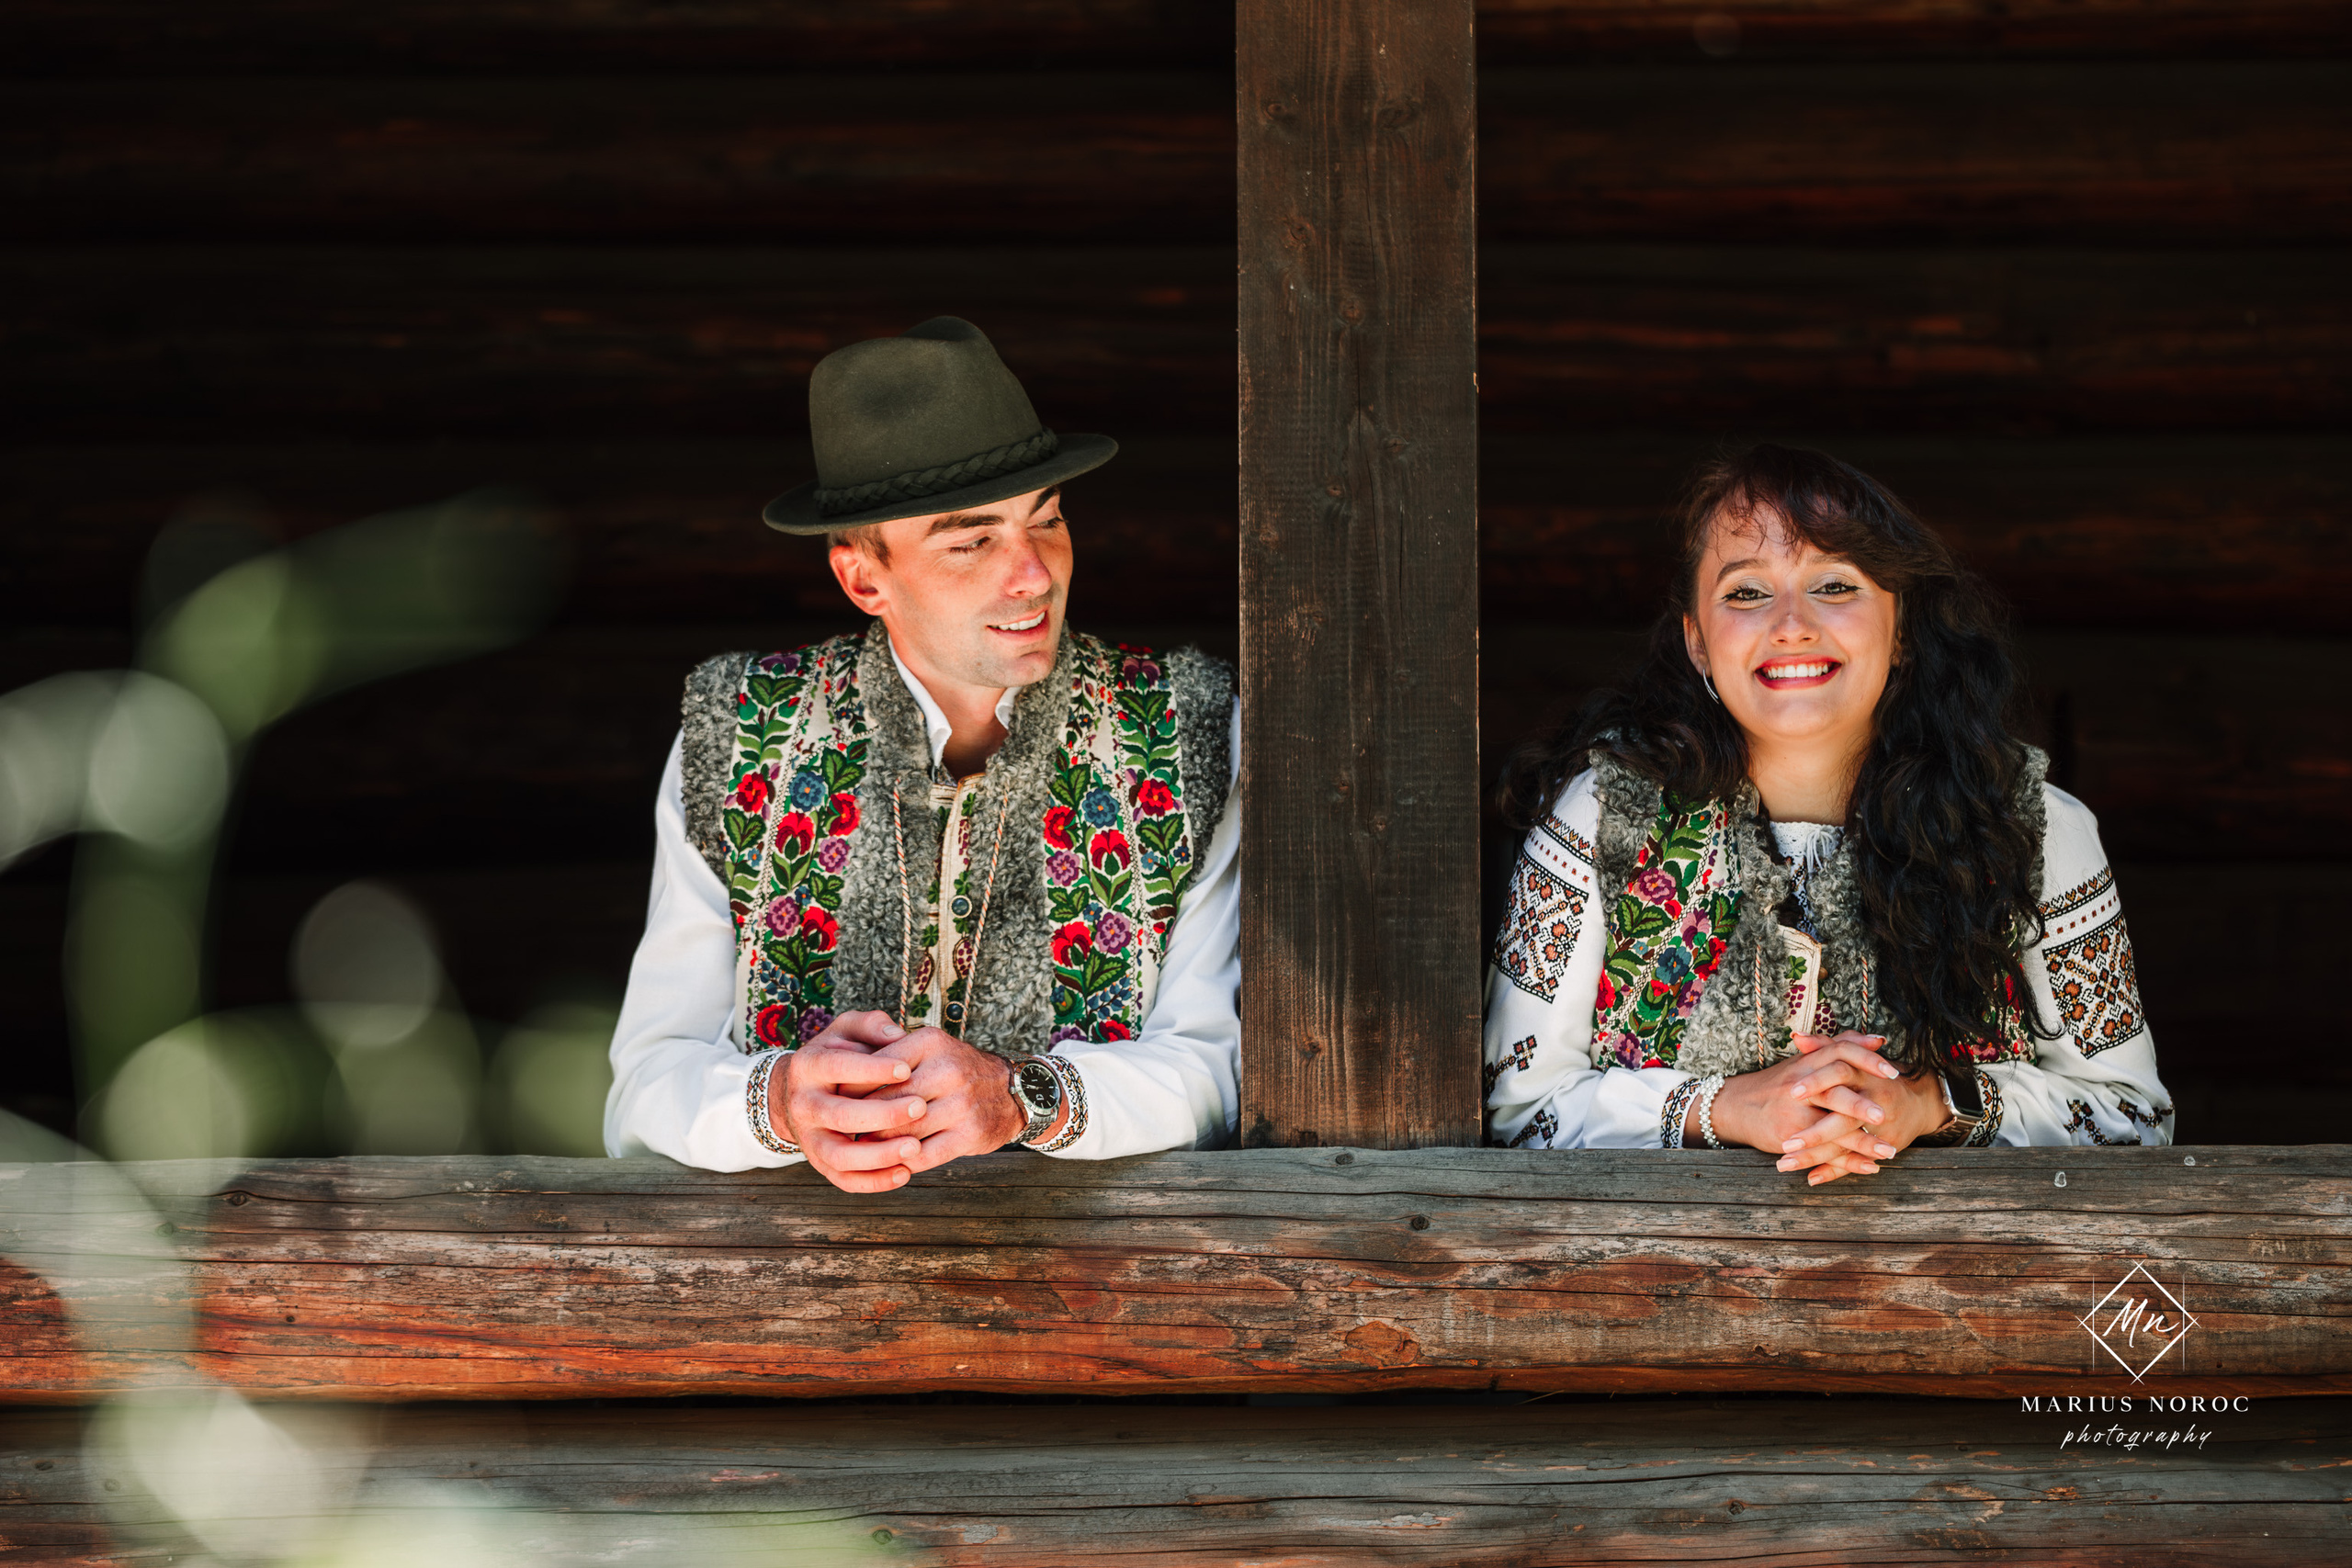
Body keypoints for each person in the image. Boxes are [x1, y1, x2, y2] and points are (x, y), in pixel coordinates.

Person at [605, 316, 1239, 1191]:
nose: (1034, 572)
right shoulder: (740, 725)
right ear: (865, 578)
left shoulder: (1189, 725)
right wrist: (785, 1101)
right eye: (972, 540)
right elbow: (643, 1093)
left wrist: (1023, 1098)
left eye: (1046, 521)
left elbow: (1221, 1071)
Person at [1484, 444, 2169, 1179]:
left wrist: (1923, 1105)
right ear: (1698, 644)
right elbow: (1521, 1110)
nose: (1791, 624)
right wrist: (1729, 1108)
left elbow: (2131, 1117)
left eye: (1835, 584)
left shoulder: (2033, 827)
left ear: (1901, 627)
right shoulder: (1597, 819)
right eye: (1747, 593)